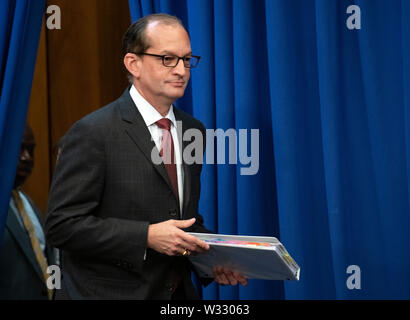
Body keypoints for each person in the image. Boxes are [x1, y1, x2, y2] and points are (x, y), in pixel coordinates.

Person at [45, 13, 247, 300]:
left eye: (187, 59)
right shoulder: (93, 132)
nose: (181, 70)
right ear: (133, 63)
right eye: (168, 59)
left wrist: (214, 259)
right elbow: (61, 226)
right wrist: (146, 237)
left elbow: (181, 218)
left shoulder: (193, 130)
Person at [0, 124, 55, 300]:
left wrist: (58, 293)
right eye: (19, 148)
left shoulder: (27, 203)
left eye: (31, 150)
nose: (26, 157)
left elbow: (49, 260)